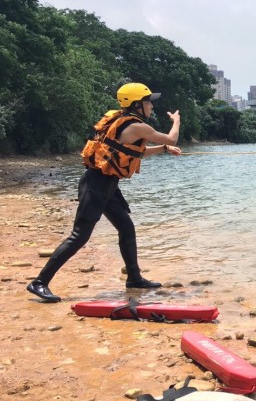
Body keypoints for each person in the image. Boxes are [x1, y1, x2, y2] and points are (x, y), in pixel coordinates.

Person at [26, 83, 182, 303]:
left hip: (107, 186)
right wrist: (176, 122)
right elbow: (172, 138)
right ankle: (39, 282)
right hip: (96, 186)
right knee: (79, 236)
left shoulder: (122, 123)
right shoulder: (138, 127)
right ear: (137, 104)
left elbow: (133, 152)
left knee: (126, 228)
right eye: (148, 102)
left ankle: (134, 278)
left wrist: (164, 150)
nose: (151, 106)